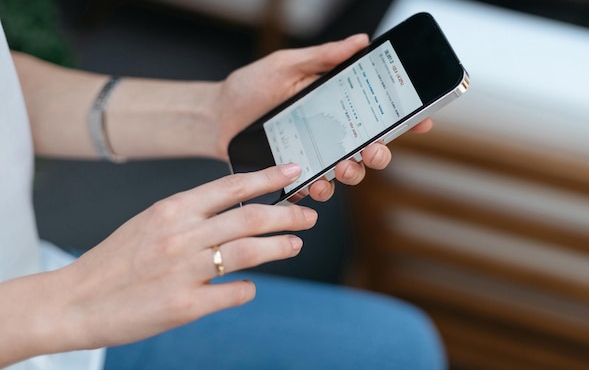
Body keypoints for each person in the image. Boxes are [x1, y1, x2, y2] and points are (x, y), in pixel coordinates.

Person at [0, 20, 445, 370]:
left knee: (398, 346)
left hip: (38, 275)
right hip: (53, 310)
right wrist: (71, 300)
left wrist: (210, 114)